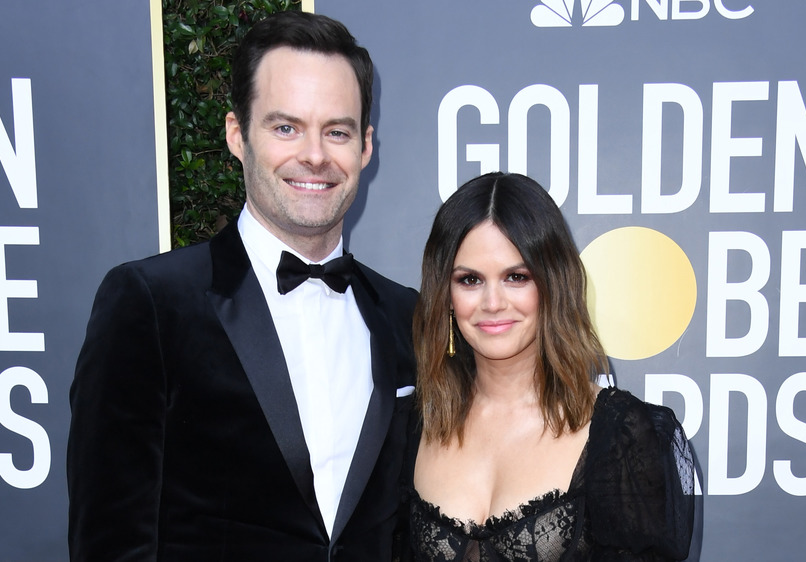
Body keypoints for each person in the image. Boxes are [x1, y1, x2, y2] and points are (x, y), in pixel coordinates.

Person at [66, 11, 417, 561]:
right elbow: (109, 541)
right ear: (237, 134)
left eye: (337, 131)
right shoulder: (152, 303)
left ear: (366, 146)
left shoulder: (405, 316)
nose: (315, 155)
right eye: (285, 127)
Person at [405, 172, 694, 561]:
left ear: (552, 284)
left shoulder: (624, 436)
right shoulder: (415, 423)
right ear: (446, 295)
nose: (492, 302)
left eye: (516, 277)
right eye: (470, 279)